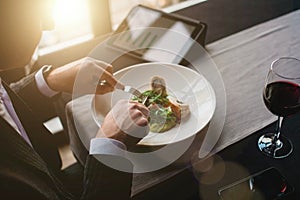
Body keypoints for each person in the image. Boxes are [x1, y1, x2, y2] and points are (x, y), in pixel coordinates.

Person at [0, 0, 149, 199]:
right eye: (37, 12)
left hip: (53, 178)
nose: (49, 25)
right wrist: (110, 144)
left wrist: (48, 81)